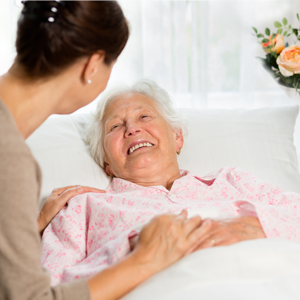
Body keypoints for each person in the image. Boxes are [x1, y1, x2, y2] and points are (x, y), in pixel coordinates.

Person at [0, 2, 204, 300]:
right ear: (92, 65)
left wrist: (25, 228)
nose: (133, 128)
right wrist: (144, 260)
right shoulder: (11, 159)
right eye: (113, 65)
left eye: (145, 116)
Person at [41, 78, 300, 287]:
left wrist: (257, 227)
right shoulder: (82, 208)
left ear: (177, 138)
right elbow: (50, 291)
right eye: (116, 126)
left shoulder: (231, 180)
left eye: (144, 117)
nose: (132, 129)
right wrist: (132, 248)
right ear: (107, 162)